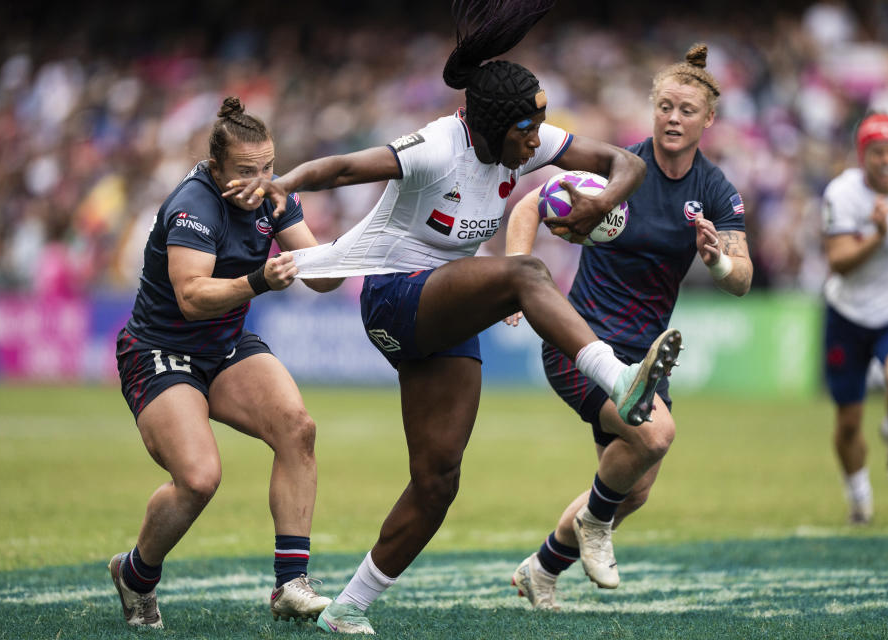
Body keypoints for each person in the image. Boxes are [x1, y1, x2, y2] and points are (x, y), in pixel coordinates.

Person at [224, 0, 683, 634]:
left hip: (444, 310)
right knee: (525, 275)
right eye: (527, 127)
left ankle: (348, 611)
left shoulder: (527, 140)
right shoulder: (440, 144)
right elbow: (347, 166)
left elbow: (625, 164)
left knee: (438, 482)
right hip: (393, 298)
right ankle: (618, 378)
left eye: (541, 125)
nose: (538, 139)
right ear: (491, 126)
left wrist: (600, 202)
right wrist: (286, 181)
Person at [504, 43, 753, 610]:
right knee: (655, 436)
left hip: (646, 357)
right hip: (580, 341)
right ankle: (594, 525)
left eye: (687, 110)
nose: (673, 117)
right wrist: (516, 278)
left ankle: (542, 569)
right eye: (665, 106)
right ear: (653, 109)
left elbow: (741, 277)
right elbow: (527, 209)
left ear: (708, 120)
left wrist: (714, 259)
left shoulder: (714, 190)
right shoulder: (616, 168)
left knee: (633, 490)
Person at [109, 97, 342, 629]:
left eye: (267, 167)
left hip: (225, 345)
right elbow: (191, 296)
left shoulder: (273, 195)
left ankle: (290, 584)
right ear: (215, 169)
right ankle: (135, 575)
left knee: (297, 428)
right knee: (198, 478)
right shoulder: (194, 204)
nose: (260, 181)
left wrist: (359, 246)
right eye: (245, 171)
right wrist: (260, 280)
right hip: (159, 351)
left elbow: (324, 277)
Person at [820, 112, 888, 524]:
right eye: (877, 152)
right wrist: (878, 237)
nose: (887, 160)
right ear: (862, 156)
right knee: (848, 423)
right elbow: (839, 262)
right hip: (847, 315)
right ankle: (860, 499)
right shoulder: (842, 194)